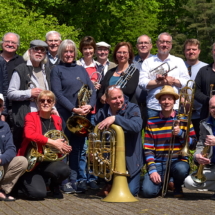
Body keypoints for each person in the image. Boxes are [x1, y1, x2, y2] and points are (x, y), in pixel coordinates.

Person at [50, 39, 96, 193]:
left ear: (75, 53)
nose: (69, 54)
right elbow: (57, 93)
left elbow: (92, 90)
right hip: (64, 115)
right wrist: (73, 108)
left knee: (77, 149)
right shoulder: (57, 70)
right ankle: (63, 181)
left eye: (71, 51)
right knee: (63, 149)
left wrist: (89, 105)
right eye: (66, 51)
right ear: (61, 53)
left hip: (80, 117)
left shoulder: (81, 69)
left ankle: (75, 179)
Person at [141, 85, 196, 198]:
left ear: (174, 101)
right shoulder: (152, 122)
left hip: (177, 161)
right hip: (158, 163)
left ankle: (176, 185)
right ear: (159, 101)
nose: (166, 102)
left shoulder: (184, 120)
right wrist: (152, 170)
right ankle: (163, 183)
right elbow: (148, 149)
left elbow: (193, 144)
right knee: (147, 192)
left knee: (181, 169)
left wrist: (181, 134)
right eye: (163, 99)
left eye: (169, 99)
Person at [17, 90, 71, 200]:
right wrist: (52, 142)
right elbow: (29, 134)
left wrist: (64, 146)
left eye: (49, 101)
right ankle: (22, 182)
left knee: (65, 170)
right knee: (38, 194)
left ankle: (54, 185)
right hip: (31, 162)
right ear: (37, 102)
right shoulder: (30, 116)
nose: (45, 103)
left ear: (53, 103)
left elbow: (59, 137)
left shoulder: (57, 119)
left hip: (48, 161)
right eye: (42, 100)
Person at [94, 85, 143, 196]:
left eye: (120, 97)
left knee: (130, 192)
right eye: (114, 98)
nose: (118, 100)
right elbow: (96, 133)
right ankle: (109, 183)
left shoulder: (132, 108)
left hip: (131, 159)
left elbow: (136, 126)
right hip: (111, 159)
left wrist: (115, 118)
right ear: (107, 100)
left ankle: (112, 185)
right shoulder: (102, 113)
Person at [7, 40, 55, 151]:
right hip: (27, 116)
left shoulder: (46, 70)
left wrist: (53, 108)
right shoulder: (20, 69)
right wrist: (29, 93)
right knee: (25, 148)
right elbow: (10, 93)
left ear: (45, 54)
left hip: (43, 116)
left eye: (42, 50)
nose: (39, 52)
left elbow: (49, 93)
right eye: (36, 49)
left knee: (41, 148)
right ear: (29, 52)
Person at [139, 32, 190, 119]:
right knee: (153, 132)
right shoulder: (148, 62)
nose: (165, 44)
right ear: (157, 43)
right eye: (162, 42)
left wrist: (173, 81)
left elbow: (188, 83)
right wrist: (162, 82)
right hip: (154, 106)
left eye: (168, 42)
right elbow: (142, 83)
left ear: (171, 44)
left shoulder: (178, 61)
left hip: (174, 107)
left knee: (174, 132)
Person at [184, 95, 215, 199]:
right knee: (189, 182)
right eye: (213, 107)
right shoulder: (204, 124)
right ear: (209, 108)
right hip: (212, 167)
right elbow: (201, 144)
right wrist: (197, 156)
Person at [0, 93, 28, 201]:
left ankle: (2, 190)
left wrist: (1, 159)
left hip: (1, 163)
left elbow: (11, 149)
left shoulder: (5, 126)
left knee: (22, 161)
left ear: (2, 108)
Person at [184, 39, 208, 140]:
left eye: (194, 49)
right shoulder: (179, 66)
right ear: (184, 51)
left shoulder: (206, 68)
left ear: (199, 51)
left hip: (201, 112)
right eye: (188, 49)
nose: (191, 51)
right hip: (182, 111)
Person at [0, 32, 25, 127]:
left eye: (13, 43)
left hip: (16, 107)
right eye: (7, 41)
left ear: (17, 46)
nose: (10, 44)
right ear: (2, 43)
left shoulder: (23, 62)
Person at [134, 35, 153, 128]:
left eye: (146, 43)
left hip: (153, 106)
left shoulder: (156, 61)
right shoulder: (131, 62)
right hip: (135, 105)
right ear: (137, 46)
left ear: (151, 46)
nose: (143, 45)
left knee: (151, 136)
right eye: (140, 43)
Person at [195, 43, 215, 120]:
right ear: (212, 52)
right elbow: (196, 91)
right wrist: (210, 100)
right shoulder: (203, 70)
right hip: (206, 113)